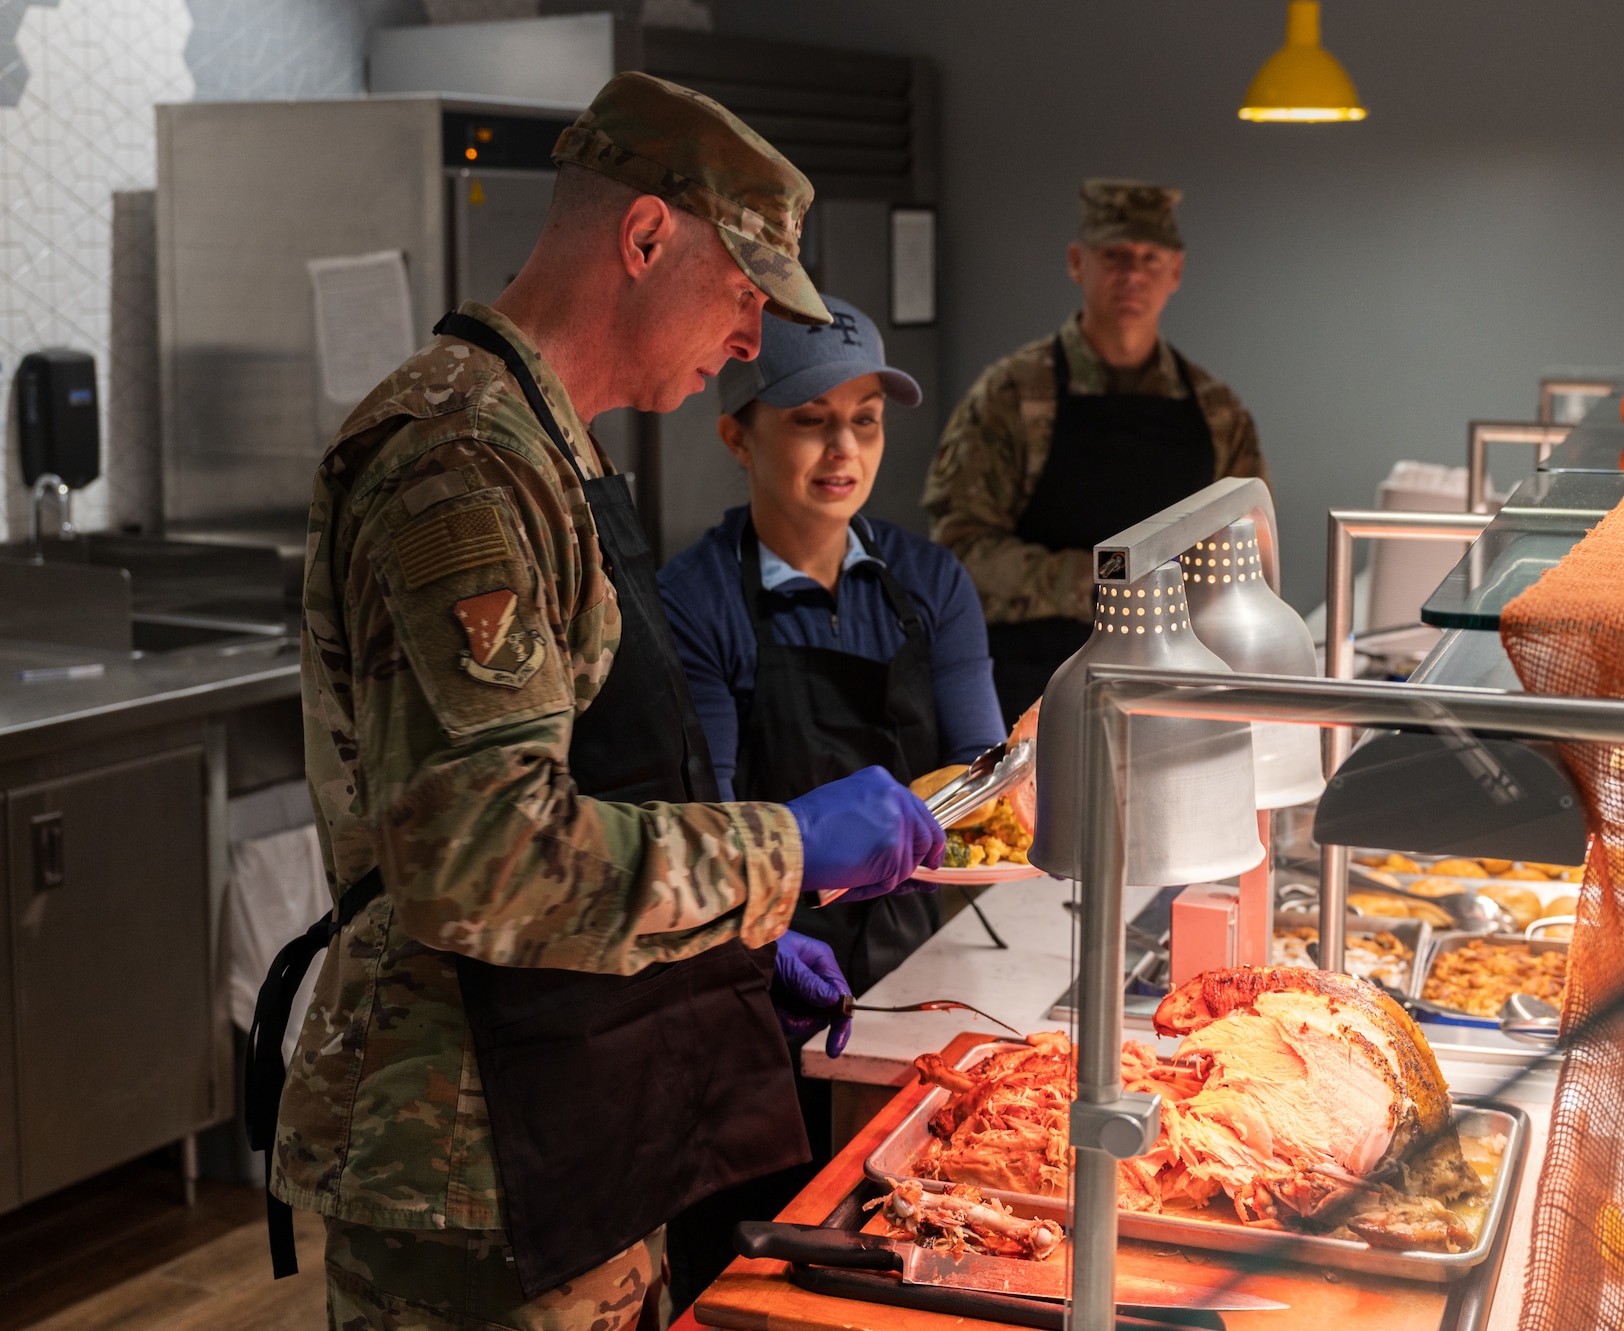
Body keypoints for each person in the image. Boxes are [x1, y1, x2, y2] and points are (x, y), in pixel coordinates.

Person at [246, 73, 943, 1330]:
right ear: (642, 239)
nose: (752, 341)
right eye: (745, 295)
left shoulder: (549, 445)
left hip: (575, 1097)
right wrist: (779, 852)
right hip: (466, 1151)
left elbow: (587, 792)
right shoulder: (458, 462)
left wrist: (709, 957)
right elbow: (485, 854)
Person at [654, 294, 1005, 1311]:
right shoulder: (694, 602)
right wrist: (765, 930)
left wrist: (1014, 783)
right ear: (737, 433)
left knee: (899, 1242)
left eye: (865, 418)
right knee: (754, 1268)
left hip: (909, 963)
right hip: (744, 974)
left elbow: (978, 784)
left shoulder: (927, 582)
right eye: (809, 418)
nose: (842, 448)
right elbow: (700, 822)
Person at [924, 178, 1269, 723]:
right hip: (1035, 692)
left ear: (1175, 271)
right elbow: (958, 555)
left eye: (1150, 258)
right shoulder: (1012, 397)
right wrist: (1101, 579)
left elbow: (1251, 557)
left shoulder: (1218, 412)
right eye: (1113, 255)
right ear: (1076, 263)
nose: (1132, 273)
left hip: (1179, 689)